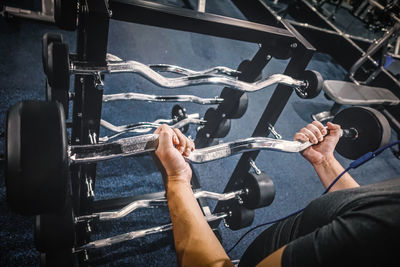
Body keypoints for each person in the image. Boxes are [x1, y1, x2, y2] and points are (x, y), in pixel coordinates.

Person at [153, 121, 400, 267]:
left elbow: (371, 228)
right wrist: (324, 161)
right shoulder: (386, 215)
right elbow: (364, 210)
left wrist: (177, 179)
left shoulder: (381, 236)